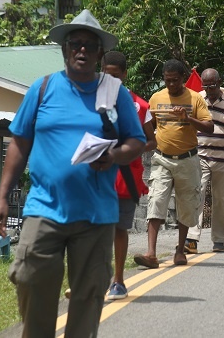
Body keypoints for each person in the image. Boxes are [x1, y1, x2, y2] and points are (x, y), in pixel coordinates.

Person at [0, 9, 146, 337]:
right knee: (30, 280)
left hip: (96, 214)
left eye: (90, 46)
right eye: (76, 44)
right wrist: (2, 196)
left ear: (99, 54)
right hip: (44, 208)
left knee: (89, 295)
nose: (82, 51)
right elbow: (19, 142)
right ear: (64, 48)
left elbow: (137, 140)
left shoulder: (113, 92)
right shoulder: (43, 88)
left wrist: (115, 154)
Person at [134, 59, 213, 269]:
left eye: (175, 81)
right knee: (156, 201)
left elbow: (209, 127)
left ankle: (180, 250)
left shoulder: (195, 98)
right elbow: (148, 124)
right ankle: (151, 253)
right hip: (161, 158)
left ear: (183, 79)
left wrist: (188, 119)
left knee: (186, 206)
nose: (171, 85)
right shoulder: (156, 98)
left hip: (187, 159)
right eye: (167, 81)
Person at [102, 51, 157, 300]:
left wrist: (130, 149)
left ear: (124, 74)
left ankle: (119, 281)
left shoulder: (140, 105)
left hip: (125, 176)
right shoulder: (89, 100)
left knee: (119, 229)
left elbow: (151, 140)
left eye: (116, 76)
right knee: (94, 228)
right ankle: (94, 277)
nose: (111, 80)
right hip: (96, 174)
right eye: (106, 74)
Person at [188, 68, 224, 252]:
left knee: (221, 199)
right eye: (206, 86)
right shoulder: (197, 99)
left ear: (220, 82)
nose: (209, 90)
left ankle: (219, 239)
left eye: (212, 86)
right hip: (201, 155)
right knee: (196, 194)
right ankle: (191, 238)